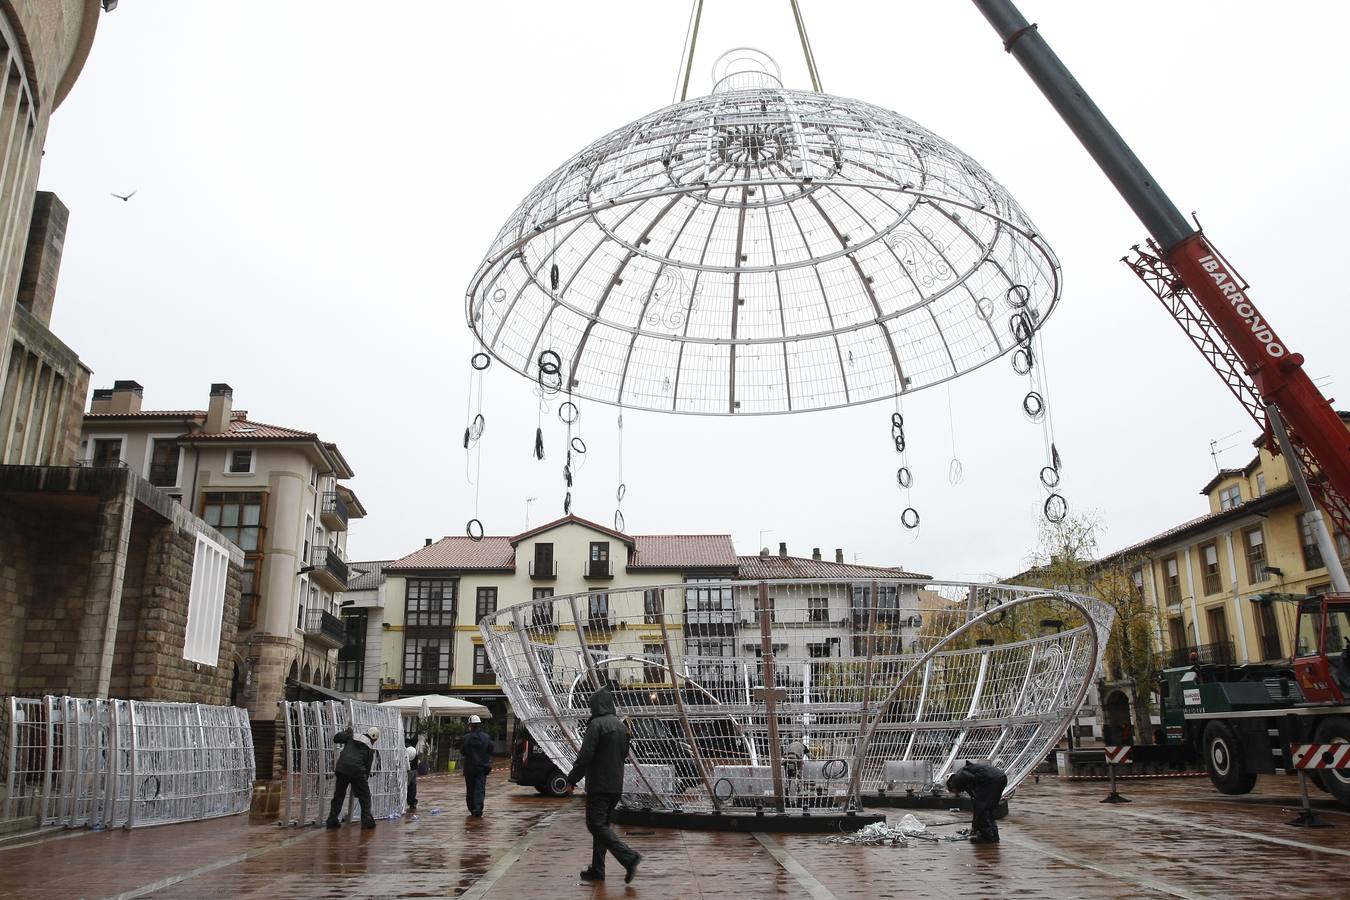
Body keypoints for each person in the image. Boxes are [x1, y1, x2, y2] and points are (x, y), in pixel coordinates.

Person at [566, 685, 641, 884]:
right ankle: (598, 870)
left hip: (599, 784)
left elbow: (585, 756)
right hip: (615, 784)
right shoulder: (621, 726)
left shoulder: (596, 725)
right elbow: (624, 754)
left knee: (595, 824)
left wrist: (571, 779)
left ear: (596, 706)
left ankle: (629, 857)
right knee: (602, 827)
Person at [327, 725, 379, 829]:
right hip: (357, 771)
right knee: (365, 796)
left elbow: (336, 738)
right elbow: (367, 767)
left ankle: (332, 820)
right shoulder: (369, 747)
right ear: (374, 739)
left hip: (342, 768)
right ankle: (366, 821)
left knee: (339, 795)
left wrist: (347, 732)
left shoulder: (352, 736)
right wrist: (362, 784)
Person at [945, 760, 1007, 844]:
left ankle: (987, 837)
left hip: (990, 780)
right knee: (989, 809)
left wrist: (974, 826)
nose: (956, 793)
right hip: (1000, 777)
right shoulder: (963, 777)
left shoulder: (960, 776)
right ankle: (993, 836)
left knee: (982, 810)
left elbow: (973, 780)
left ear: (951, 784)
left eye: (953, 790)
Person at [460, 714, 493, 818]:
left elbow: (462, 751)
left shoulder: (465, 738)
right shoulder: (486, 737)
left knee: (470, 789)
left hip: (470, 767)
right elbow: (490, 749)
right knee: (479, 788)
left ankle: (472, 808)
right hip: (482, 767)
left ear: (470, 725)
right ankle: (478, 808)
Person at [405, 737, 421, 812]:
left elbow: (415, 767)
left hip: (412, 770)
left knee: (412, 784)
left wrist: (410, 773)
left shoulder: (414, 754)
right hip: (402, 767)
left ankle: (412, 802)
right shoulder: (403, 750)